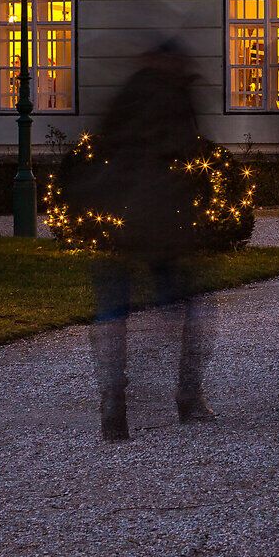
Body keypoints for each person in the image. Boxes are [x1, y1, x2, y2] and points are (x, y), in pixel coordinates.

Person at [82, 38, 214, 442]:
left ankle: (113, 403)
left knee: (112, 310)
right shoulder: (175, 97)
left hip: (117, 217)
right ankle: (187, 395)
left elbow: (100, 146)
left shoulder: (129, 93)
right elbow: (188, 156)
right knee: (193, 308)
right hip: (161, 219)